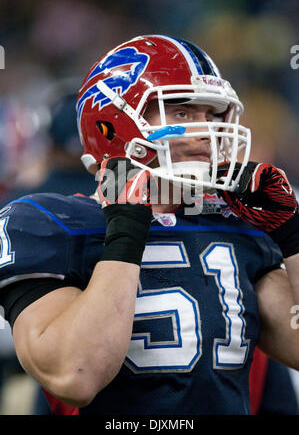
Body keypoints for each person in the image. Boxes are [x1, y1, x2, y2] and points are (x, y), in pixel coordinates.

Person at [0, 35, 297, 415]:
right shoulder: (49, 223)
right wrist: (126, 235)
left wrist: (291, 234)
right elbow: (74, 376)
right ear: (113, 124)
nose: (206, 132)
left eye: (212, 115)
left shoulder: (234, 223)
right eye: (183, 114)